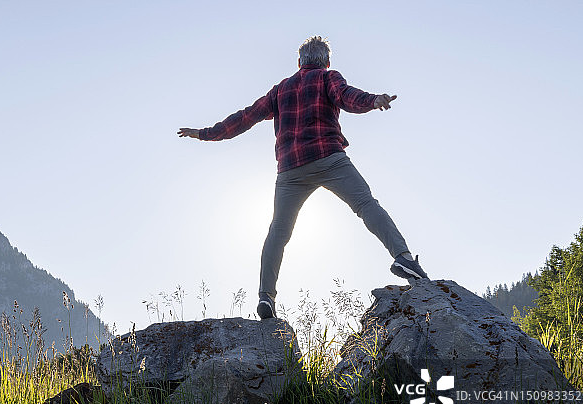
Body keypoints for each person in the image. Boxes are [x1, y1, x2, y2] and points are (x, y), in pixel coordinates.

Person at [178, 36, 427, 320]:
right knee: (366, 205)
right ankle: (403, 259)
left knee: (278, 232)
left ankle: (266, 297)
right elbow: (347, 97)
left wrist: (205, 133)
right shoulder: (327, 77)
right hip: (329, 158)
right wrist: (374, 101)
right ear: (327, 62)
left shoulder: (280, 89)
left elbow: (246, 117)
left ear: (299, 63)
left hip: (291, 169)